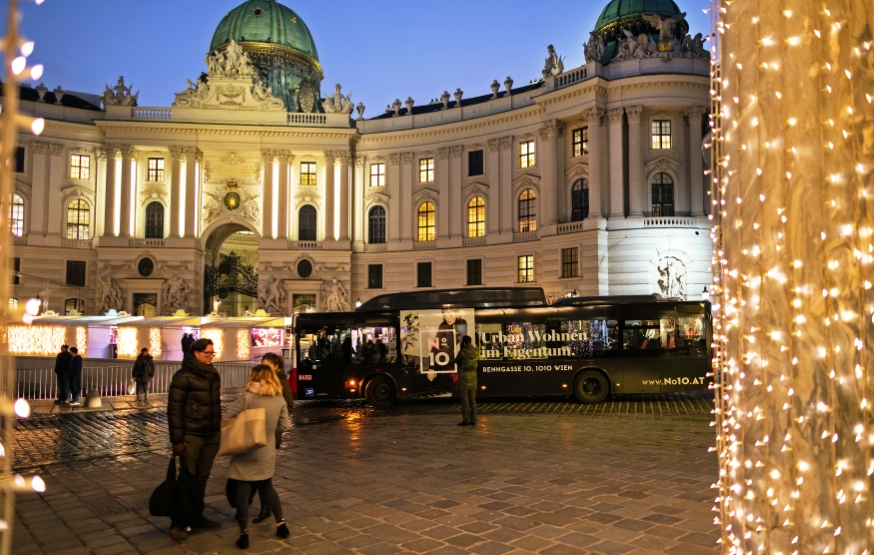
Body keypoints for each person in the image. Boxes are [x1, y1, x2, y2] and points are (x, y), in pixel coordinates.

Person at [224, 365, 290, 549]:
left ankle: (244, 535)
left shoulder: (248, 397)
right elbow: (284, 425)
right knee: (267, 487)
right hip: (266, 450)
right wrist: (268, 433)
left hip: (246, 449)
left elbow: (229, 415)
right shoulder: (279, 399)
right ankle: (281, 525)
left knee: (243, 493)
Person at [167, 338, 222, 542]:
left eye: (212, 353)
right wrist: (177, 440)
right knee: (186, 478)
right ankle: (177, 522)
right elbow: (174, 409)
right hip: (192, 435)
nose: (210, 356)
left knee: (202, 477)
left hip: (211, 434)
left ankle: (197, 515)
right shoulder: (183, 376)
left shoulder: (213, 374)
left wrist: (218, 430)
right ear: (196, 353)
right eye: (207, 353)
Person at [251, 352, 294, 524]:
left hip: (269, 435)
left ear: (276, 367)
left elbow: (289, 406)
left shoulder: (281, 381)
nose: (264, 368)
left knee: (263, 475)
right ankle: (264, 507)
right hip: (256, 433)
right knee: (260, 474)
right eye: (262, 365)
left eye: (267, 365)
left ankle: (266, 508)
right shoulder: (260, 380)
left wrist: (272, 426)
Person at [454, 335, 479, 426]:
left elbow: (456, 361)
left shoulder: (462, 352)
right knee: (472, 400)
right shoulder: (476, 351)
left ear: (464, 342)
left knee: (465, 401)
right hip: (473, 378)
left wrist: (461, 348)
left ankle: (466, 420)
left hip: (464, 378)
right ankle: (474, 420)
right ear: (470, 342)